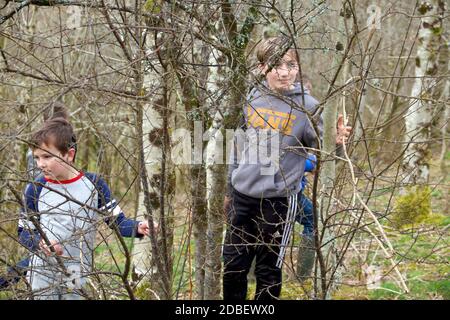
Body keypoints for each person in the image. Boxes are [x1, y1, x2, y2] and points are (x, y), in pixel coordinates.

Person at [223, 36, 351, 300]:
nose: (284, 72)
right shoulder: (250, 97)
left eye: (290, 65)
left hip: (278, 202)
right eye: (275, 65)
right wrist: (229, 185)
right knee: (234, 268)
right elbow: (236, 146)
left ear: (297, 67)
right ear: (262, 68)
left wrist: (337, 142)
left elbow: (327, 155)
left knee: (268, 272)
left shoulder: (309, 107)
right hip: (241, 197)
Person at [17, 117, 151, 299]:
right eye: (37, 157)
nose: (41, 164)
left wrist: (137, 227)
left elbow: (118, 222)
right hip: (41, 271)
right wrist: (40, 243)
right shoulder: (34, 188)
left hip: (77, 270)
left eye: (47, 156)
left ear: (69, 154)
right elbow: (24, 232)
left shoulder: (94, 184)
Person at [1, 103, 70, 290]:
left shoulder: (65, 144)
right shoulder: (37, 150)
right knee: (39, 259)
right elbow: (35, 180)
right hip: (39, 204)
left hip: (55, 205)